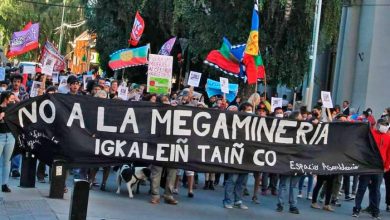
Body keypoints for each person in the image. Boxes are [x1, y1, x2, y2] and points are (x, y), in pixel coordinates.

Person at [352, 119, 389, 219]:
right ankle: (356, 209)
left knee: (376, 190)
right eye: (383, 125)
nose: (385, 127)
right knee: (362, 188)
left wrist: (386, 166)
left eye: (386, 125)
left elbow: (389, 153)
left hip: (379, 168)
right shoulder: (370, 134)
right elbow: (362, 148)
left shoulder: (388, 137)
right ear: (378, 125)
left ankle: (375, 212)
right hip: (367, 166)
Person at [223, 103, 252, 209]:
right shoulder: (234, 121)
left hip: (247, 155)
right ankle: (227, 201)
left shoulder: (253, 122)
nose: (250, 111)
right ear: (243, 111)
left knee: (242, 181)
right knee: (232, 180)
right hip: (235, 154)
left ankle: (238, 200)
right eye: (248, 110)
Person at [276, 111, 302, 214]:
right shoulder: (286, 130)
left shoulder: (303, 130)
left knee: (294, 185)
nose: (302, 121)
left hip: (299, 160)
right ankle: (280, 204)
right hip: (287, 160)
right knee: (284, 184)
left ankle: (293, 205)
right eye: (300, 119)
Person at [9, 74, 29, 178]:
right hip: (7, 123)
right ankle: (6, 167)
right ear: (11, 82)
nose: (16, 83)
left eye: (18, 81)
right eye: (14, 81)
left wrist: (18, 101)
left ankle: (15, 168)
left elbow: (27, 107)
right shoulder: (6, 93)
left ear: (20, 83)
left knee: (17, 144)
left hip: (19, 122)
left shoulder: (24, 94)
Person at [0, 91, 16, 192]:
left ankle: (4, 184)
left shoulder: (13, 108)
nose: (13, 100)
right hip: (0, 136)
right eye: (11, 99)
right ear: (6, 99)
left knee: (7, 162)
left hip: (10, 137)